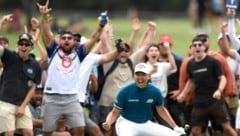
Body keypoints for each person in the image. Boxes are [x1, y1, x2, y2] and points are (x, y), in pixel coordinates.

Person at [37, 0, 109, 135]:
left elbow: (93, 38)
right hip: (52, 98)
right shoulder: (53, 51)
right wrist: (45, 18)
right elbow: (46, 35)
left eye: (69, 38)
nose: (66, 40)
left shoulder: (79, 54)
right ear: (60, 41)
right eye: (63, 37)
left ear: (73, 42)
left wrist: (100, 25)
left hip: (71, 98)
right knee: (47, 132)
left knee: (79, 129)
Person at [101, 62, 185, 136]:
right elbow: (114, 112)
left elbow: (161, 110)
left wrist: (175, 127)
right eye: (138, 74)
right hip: (126, 123)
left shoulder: (155, 91)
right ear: (134, 76)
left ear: (148, 76)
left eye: (143, 74)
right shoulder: (125, 91)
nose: (140, 77)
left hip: (145, 123)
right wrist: (108, 122)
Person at [177, 37, 237, 136]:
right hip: (199, 102)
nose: (197, 47)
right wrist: (183, 94)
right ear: (191, 48)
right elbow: (191, 81)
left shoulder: (213, 61)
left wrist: (219, 90)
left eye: (199, 45)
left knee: (226, 127)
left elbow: (222, 78)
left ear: (204, 48)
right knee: (196, 130)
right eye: (194, 45)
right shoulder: (190, 64)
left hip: (215, 101)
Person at [0, 32, 42, 136]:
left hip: (22, 104)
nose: (23, 46)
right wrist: (1, 24)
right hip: (6, 103)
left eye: (27, 44)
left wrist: (23, 106)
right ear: (17, 45)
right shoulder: (9, 56)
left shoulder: (35, 65)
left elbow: (33, 88)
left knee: (29, 133)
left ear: (31, 47)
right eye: (21, 44)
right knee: (9, 133)